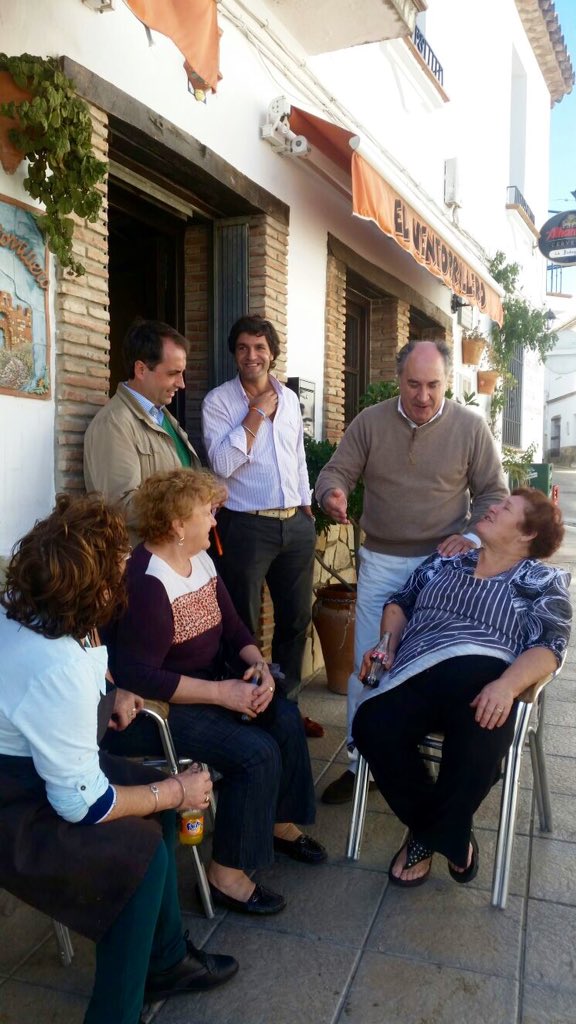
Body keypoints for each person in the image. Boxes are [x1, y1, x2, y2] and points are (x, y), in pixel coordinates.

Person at [0, 495, 237, 1024]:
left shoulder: (39, 608)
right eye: (116, 569)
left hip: (39, 761)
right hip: (13, 797)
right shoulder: (52, 662)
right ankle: (116, 1011)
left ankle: (166, 959)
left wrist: (113, 695)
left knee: (157, 816)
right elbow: (82, 805)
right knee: (141, 853)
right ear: (94, 586)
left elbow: (79, 667)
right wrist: (175, 790)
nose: (125, 575)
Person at [102, 467, 326, 917]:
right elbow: (140, 675)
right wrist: (222, 694)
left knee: (282, 715)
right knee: (254, 752)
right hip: (157, 710)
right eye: (207, 512)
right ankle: (226, 874)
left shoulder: (200, 558)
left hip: (209, 684)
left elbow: (234, 627)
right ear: (176, 525)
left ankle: (277, 823)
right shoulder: (148, 581)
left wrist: (257, 666)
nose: (214, 520)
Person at [314, 339, 509, 804]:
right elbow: (334, 472)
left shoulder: (470, 427)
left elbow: (494, 495)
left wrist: (473, 538)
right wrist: (332, 495)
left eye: (434, 385)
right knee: (369, 664)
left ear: (448, 382)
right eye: (414, 384)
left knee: (430, 663)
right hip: (382, 563)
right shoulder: (371, 422)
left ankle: (420, 758)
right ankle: (361, 764)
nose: (423, 396)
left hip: (444, 569)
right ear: (398, 378)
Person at [352, 489, 571, 886]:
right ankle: (448, 833)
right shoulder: (447, 560)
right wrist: (385, 646)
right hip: (417, 668)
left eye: (505, 509)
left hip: (484, 680)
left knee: (482, 733)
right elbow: (400, 601)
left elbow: (549, 648)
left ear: (526, 534)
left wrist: (507, 686)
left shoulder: (542, 581)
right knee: (371, 723)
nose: (492, 509)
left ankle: (425, 837)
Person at [201, 315, 318, 715]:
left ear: (272, 353)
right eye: (243, 348)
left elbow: (296, 455)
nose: (251, 356)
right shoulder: (218, 402)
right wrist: (256, 415)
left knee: (296, 620)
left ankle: (285, 708)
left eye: (259, 348)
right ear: (234, 354)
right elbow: (221, 465)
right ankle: (246, 707)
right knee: (242, 623)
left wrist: (306, 503)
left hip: (295, 525)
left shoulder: (289, 399)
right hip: (246, 524)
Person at [84, 318, 201, 546]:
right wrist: (193, 506)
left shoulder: (162, 415)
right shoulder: (113, 423)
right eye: (173, 373)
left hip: (171, 556)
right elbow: (119, 507)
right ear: (141, 369)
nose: (181, 383)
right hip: (145, 564)